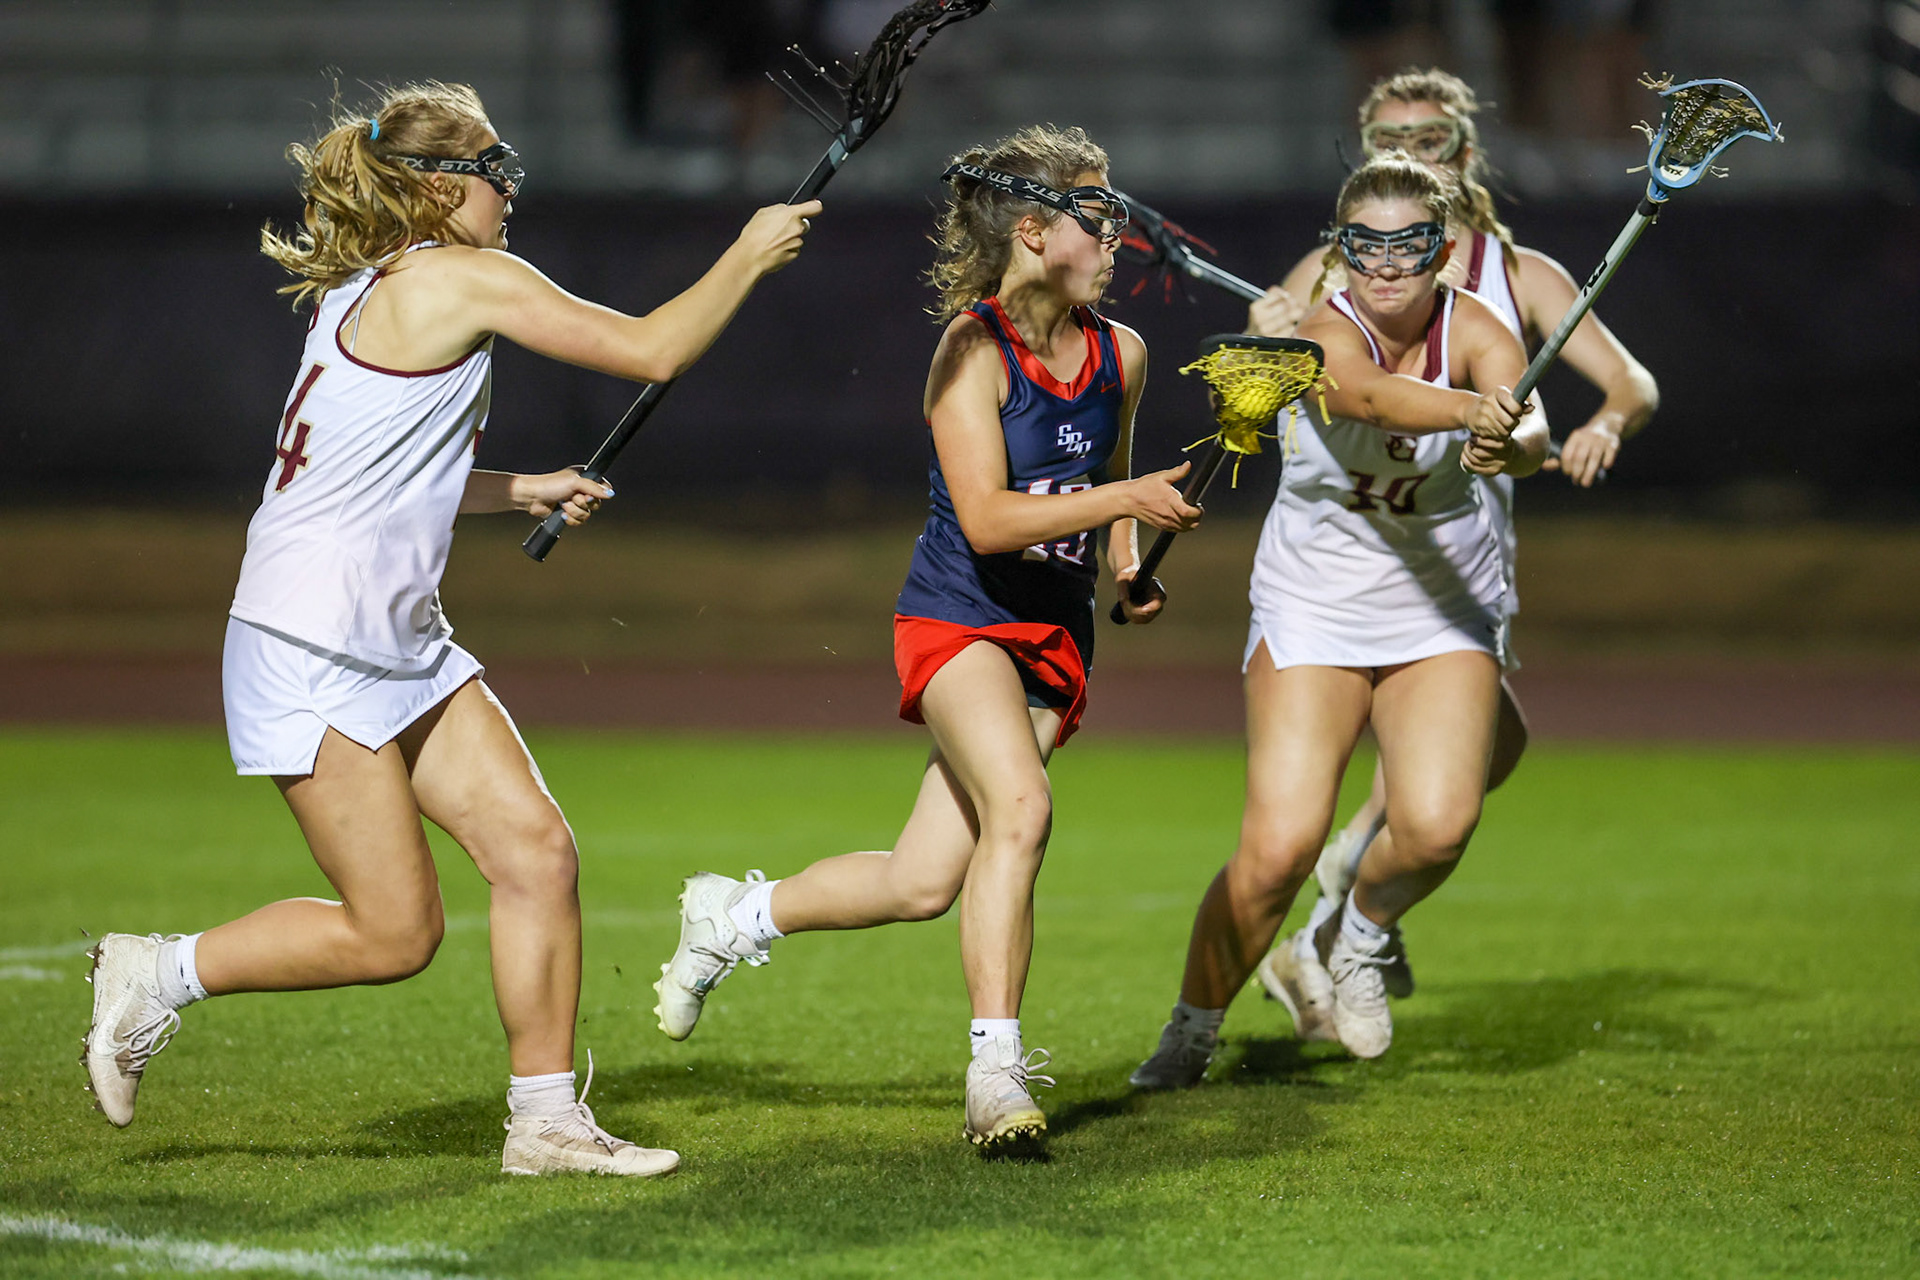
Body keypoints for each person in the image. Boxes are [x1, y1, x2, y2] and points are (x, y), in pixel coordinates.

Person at [80, 81, 820, 1176]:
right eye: (490, 170)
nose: (506, 190)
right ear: (437, 187)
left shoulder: (365, 288)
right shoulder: (461, 276)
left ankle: (546, 1122)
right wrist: (751, 252)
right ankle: (160, 971)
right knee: (393, 933)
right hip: (310, 643)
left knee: (535, 851)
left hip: (396, 638)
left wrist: (517, 487)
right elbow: (656, 347)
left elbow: (378, 474)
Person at [647, 125, 1201, 1149]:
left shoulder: (1122, 350)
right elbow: (989, 517)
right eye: (1097, 211)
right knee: (1023, 809)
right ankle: (994, 1073)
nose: (1116, 227)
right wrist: (1125, 497)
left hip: (1056, 638)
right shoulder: (971, 349)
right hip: (959, 616)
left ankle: (734, 916)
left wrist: (1128, 556)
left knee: (920, 878)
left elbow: (1102, 478)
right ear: (1032, 231)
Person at [1242, 67, 1658, 1011]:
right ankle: (1341, 910)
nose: (1406, 154)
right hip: (1349, 558)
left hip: (1464, 551)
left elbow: (1630, 385)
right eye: (1388, 138)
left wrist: (1598, 426)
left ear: (1462, 155)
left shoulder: (1519, 277)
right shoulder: (1329, 270)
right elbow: (1271, 395)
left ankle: (1347, 889)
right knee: (1457, 762)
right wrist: (1262, 333)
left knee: (1494, 748)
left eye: (1428, 141)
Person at [1131, 154, 1546, 1086]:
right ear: (1340, 250)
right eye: (1367, 246)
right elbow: (1359, 394)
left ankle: (1355, 933)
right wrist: (1470, 412)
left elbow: (1530, 436)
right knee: (1276, 848)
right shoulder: (1320, 329)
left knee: (1438, 825)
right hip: (1315, 601)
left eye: (1410, 246)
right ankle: (1194, 1022)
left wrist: (1510, 441)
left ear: (1442, 253)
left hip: (1441, 603)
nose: (1388, 266)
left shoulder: (1480, 330)